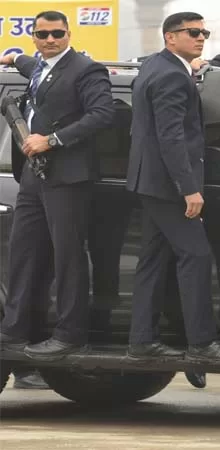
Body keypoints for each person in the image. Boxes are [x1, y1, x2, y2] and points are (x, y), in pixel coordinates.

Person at [125, 11, 220, 364]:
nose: (201, 37)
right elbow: (171, 136)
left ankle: (141, 341)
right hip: (169, 186)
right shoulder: (172, 76)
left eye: (204, 32)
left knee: (152, 260)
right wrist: (188, 188)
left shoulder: (157, 67)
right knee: (196, 256)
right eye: (192, 32)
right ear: (170, 37)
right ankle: (202, 344)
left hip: (150, 181)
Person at [0, 10, 115, 360]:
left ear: (69, 34)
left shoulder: (86, 69)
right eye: (43, 34)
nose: (50, 40)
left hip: (68, 175)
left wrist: (52, 139)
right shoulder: (39, 67)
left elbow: (103, 114)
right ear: (34, 37)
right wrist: (12, 56)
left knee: (67, 256)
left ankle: (70, 333)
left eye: (57, 34)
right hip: (33, 175)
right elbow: (25, 64)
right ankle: (14, 330)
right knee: (22, 253)